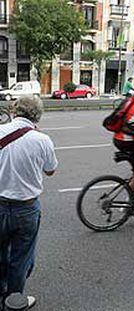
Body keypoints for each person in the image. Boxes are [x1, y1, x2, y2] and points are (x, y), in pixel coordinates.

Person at [0, 97, 58, 309]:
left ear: (15, 111)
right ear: (37, 116)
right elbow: (50, 170)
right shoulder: (42, 140)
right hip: (26, 208)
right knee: (21, 258)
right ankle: (14, 302)